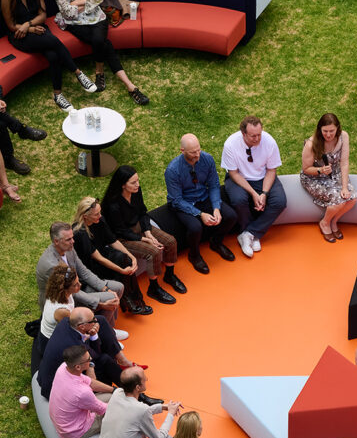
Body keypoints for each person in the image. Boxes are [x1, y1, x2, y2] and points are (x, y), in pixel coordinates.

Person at [53, 0, 149, 105]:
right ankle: (130, 86)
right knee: (104, 43)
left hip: (97, 17)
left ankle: (103, 74)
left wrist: (78, 2)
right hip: (75, 23)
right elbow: (67, 13)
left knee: (99, 41)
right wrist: (89, 0)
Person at [0, 0, 97, 112]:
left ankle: (58, 95)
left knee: (52, 55)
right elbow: (11, 25)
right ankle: (78, 73)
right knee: (53, 41)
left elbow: (43, 15)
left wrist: (30, 24)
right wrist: (28, 28)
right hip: (20, 35)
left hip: (37, 27)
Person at [102, 165, 186, 300]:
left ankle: (169, 275)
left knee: (170, 241)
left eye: (138, 181)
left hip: (140, 228)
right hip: (123, 238)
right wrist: (145, 240)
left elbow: (142, 212)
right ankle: (153, 288)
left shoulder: (136, 192)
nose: (138, 185)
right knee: (153, 252)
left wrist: (148, 232)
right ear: (123, 185)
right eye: (133, 182)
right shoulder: (113, 205)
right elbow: (121, 231)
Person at [90, 368, 181, 438]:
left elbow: (136, 412)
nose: (147, 379)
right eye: (144, 378)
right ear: (138, 387)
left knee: (137, 427)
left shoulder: (117, 394)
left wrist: (162, 407)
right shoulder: (141, 410)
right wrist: (171, 415)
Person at [164, 134, 236, 274]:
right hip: (183, 204)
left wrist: (216, 207)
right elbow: (177, 200)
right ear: (182, 150)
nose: (197, 154)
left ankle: (216, 242)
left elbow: (214, 185)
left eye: (198, 150)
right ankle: (194, 255)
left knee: (231, 216)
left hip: (203, 197)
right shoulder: (172, 170)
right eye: (193, 152)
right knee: (195, 227)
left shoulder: (207, 158)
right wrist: (200, 214)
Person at [220, 115, 287, 257]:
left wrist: (264, 193)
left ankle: (250, 233)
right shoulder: (230, 144)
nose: (257, 139)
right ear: (243, 134)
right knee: (239, 200)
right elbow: (234, 173)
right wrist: (253, 193)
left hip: (263, 176)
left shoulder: (269, 142)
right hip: (239, 178)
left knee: (280, 201)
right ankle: (248, 232)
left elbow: (271, 170)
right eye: (252, 136)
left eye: (259, 135)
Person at [39, 307, 142, 399]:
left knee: (101, 320)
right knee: (105, 360)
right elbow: (97, 354)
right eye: (92, 320)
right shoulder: (76, 345)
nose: (95, 321)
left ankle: (122, 361)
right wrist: (94, 335)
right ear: (82, 327)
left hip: (62, 368)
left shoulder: (66, 322)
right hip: (56, 388)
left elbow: (92, 353)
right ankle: (132, 392)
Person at [73, 197, 153, 315]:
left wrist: (132, 257)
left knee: (125, 259)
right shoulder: (80, 233)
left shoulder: (99, 220)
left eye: (100, 212)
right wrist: (122, 271)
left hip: (101, 254)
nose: (100, 216)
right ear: (85, 216)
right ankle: (129, 300)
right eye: (96, 214)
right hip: (89, 266)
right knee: (121, 265)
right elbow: (98, 258)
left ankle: (133, 299)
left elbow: (113, 240)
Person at [36, 222, 123, 329]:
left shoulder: (69, 249)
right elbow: (70, 293)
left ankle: (109, 328)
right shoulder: (51, 266)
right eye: (68, 239)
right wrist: (98, 303)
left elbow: (84, 272)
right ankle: (102, 332)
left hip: (76, 288)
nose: (73, 241)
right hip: (64, 299)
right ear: (56, 241)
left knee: (118, 288)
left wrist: (104, 288)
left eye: (72, 237)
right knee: (110, 298)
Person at [299, 112, 357, 242]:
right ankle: (325, 222)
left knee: (352, 199)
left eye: (332, 131)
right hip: (314, 177)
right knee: (337, 201)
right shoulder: (311, 144)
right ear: (320, 129)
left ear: (338, 128)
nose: (329, 135)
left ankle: (334, 221)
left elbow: (344, 162)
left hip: (334, 173)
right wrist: (320, 170)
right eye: (325, 131)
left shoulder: (343, 137)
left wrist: (344, 187)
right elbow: (306, 169)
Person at [48, 345, 114, 438]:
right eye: (88, 359)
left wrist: (114, 390)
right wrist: (126, 401)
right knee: (118, 413)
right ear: (78, 366)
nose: (91, 359)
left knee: (112, 396)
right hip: (74, 431)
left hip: (65, 420)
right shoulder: (82, 392)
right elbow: (104, 410)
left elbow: (90, 382)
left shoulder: (63, 368)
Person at [39, 264, 80, 356]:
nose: (80, 285)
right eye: (75, 284)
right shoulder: (62, 311)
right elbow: (71, 331)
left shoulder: (57, 293)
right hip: (50, 343)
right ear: (64, 288)